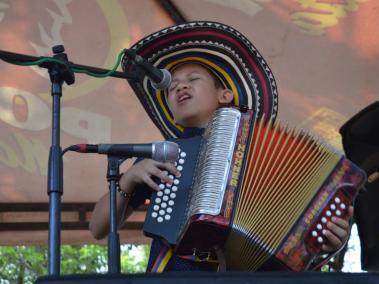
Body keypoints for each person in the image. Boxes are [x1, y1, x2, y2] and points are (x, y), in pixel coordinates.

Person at [89, 21, 353, 272]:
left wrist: (325, 243)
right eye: (171, 87)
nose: (180, 86)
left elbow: (302, 241)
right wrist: (130, 179)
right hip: (176, 274)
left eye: (193, 79)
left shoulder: (269, 155)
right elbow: (98, 227)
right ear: (170, 111)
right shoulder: (164, 155)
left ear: (224, 95)